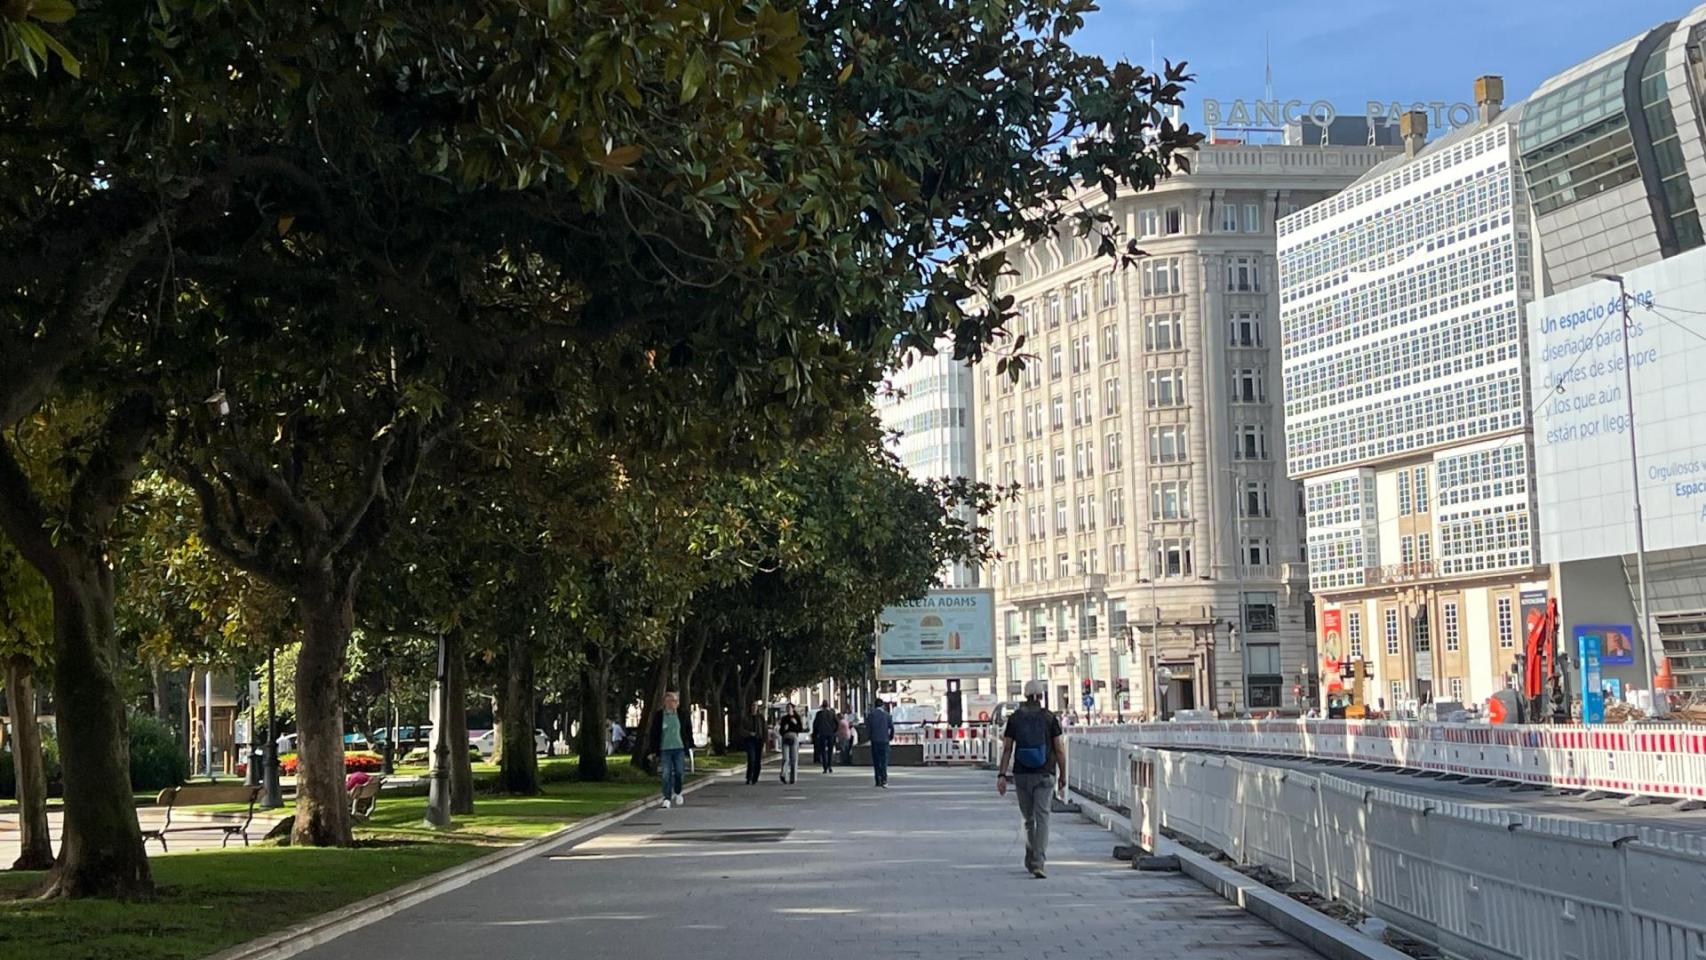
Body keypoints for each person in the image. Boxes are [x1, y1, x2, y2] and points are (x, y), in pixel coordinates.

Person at [997, 679, 1067, 879]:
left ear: (1025, 696)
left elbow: (1007, 748)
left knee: (1028, 819)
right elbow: (1059, 749)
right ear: (1041, 696)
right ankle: (1039, 861)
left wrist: (1002, 775)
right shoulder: (1049, 718)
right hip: (1045, 773)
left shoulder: (1015, 718)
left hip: (1022, 774)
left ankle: (1030, 858)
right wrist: (1063, 774)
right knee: (1043, 817)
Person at [649, 690, 692, 808]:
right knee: (666, 774)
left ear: (677, 703)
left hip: (679, 748)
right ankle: (666, 798)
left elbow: (687, 731)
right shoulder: (659, 716)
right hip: (665, 749)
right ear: (664, 702)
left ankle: (678, 791)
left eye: (673, 701)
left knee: (679, 772)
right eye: (668, 701)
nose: (671, 703)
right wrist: (653, 750)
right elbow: (654, 733)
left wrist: (689, 746)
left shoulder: (682, 715)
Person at [863, 700, 893, 788]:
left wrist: (869, 737)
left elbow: (868, 728)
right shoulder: (887, 715)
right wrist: (890, 737)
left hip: (875, 741)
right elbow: (891, 727)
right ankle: (884, 779)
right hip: (884, 740)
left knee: (876, 761)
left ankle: (877, 779)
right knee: (884, 761)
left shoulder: (871, 715)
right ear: (882, 705)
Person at [777, 703, 805, 784]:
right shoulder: (784, 718)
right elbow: (781, 731)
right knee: (785, 758)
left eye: (789, 707)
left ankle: (793, 778)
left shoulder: (796, 718)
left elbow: (800, 729)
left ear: (793, 709)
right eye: (787, 708)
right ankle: (783, 774)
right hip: (786, 737)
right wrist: (784, 729)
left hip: (794, 737)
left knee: (794, 759)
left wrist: (795, 723)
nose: (788, 709)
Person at [742, 700, 766, 785]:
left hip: (759, 740)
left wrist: (764, 741)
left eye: (755, 706)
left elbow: (764, 729)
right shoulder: (746, 718)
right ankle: (749, 777)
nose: (754, 708)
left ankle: (755, 777)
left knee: (757, 761)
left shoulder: (760, 718)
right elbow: (742, 729)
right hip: (750, 740)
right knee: (751, 759)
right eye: (753, 706)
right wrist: (749, 733)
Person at [811, 702, 838, 773]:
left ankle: (825, 767)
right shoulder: (832, 713)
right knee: (830, 751)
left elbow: (815, 724)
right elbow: (837, 723)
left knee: (823, 751)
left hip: (822, 734)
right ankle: (830, 765)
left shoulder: (819, 714)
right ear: (828, 706)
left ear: (822, 706)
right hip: (830, 734)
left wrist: (815, 734)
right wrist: (834, 731)